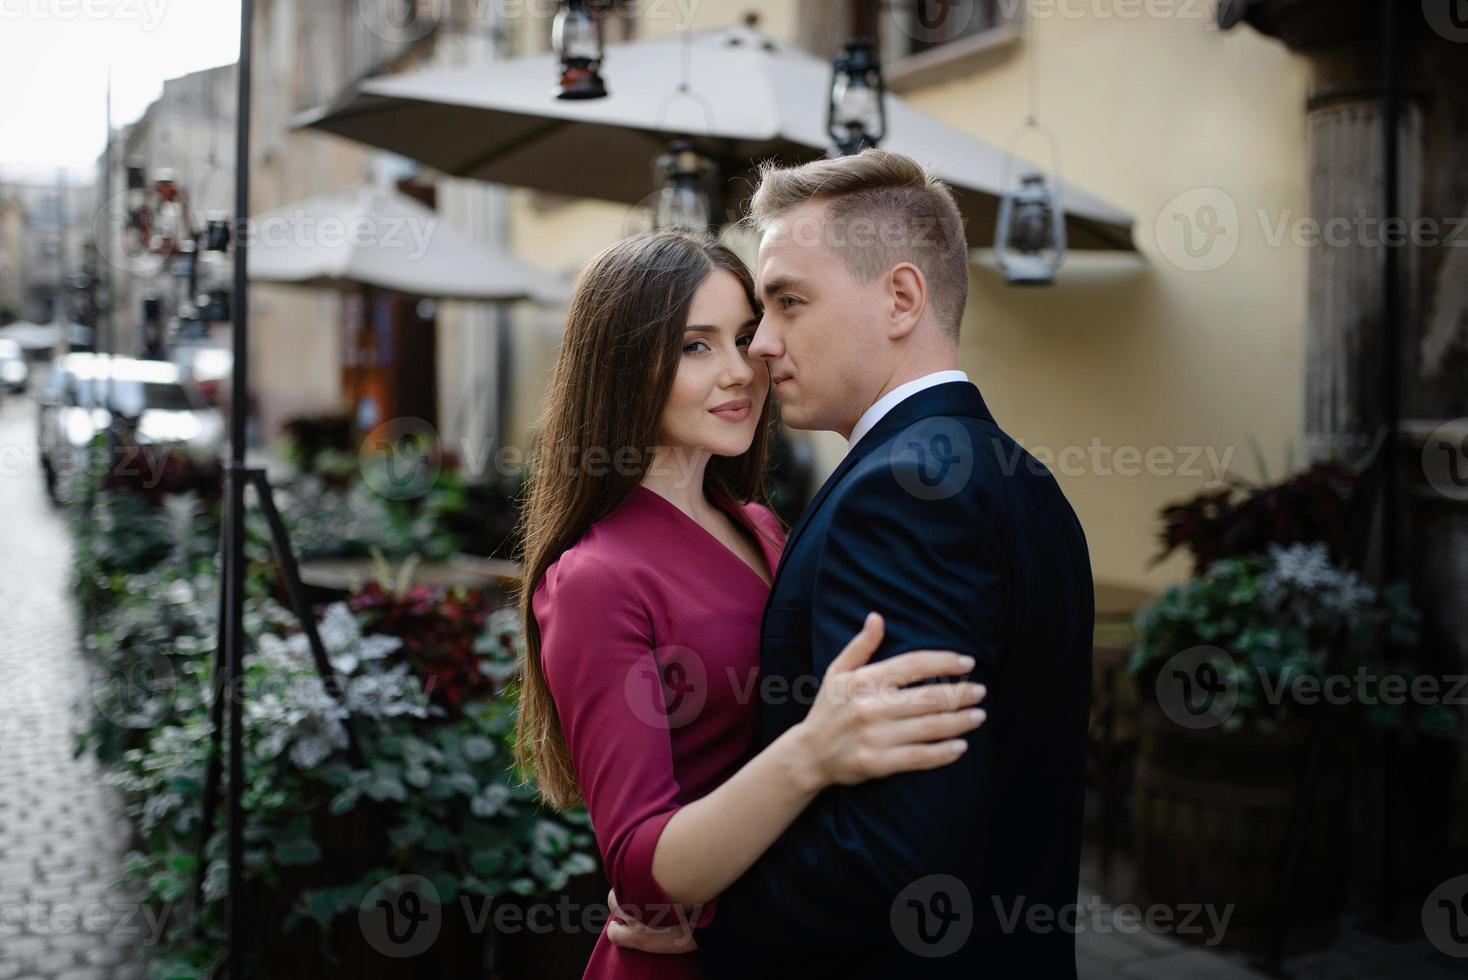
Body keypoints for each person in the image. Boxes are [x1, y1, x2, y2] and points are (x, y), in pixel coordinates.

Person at [608, 149, 1095, 978]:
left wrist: (714, 919)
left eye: (789, 302)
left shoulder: (901, 496)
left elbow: (894, 852)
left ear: (901, 298)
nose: (761, 344)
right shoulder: (1017, 475)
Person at [515, 230, 989, 980]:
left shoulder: (760, 525)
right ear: (622, 366)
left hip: (775, 937)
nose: (742, 372)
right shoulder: (595, 578)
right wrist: (813, 753)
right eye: (696, 347)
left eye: (744, 337)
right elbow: (640, 867)